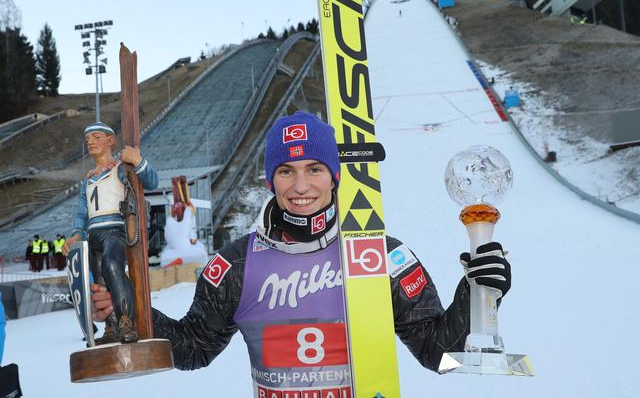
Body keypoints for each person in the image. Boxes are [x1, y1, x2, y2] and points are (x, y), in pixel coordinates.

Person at [91, 111, 511, 394]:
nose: (301, 186)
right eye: (286, 171)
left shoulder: (381, 257)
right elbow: (193, 348)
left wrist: (477, 293)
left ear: (334, 176)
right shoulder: (236, 265)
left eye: (314, 169)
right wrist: (132, 308)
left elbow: (440, 356)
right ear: (270, 181)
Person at [63, 122, 158, 345]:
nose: (91, 142)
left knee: (113, 266)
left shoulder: (121, 168)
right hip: (93, 236)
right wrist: (77, 234)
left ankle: (126, 320)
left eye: (97, 137)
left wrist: (138, 161)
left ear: (110, 140)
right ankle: (111, 325)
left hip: (114, 230)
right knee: (100, 282)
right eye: (88, 139)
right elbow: (82, 212)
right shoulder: (88, 179)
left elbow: (152, 182)